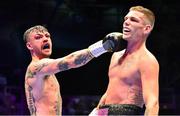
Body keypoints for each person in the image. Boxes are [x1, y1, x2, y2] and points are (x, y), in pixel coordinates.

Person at [23, 25, 122, 115]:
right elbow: (70, 60)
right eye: (38, 37)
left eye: (47, 36)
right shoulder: (36, 68)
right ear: (29, 46)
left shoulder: (45, 72)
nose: (45, 39)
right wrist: (103, 46)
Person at [90, 6, 159, 115]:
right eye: (126, 19)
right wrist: (96, 112)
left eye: (133, 20)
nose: (126, 22)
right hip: (104, 111)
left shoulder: (147, 60)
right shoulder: (115, 56)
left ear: (146, 28)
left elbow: (152, 102)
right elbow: (110, 91)